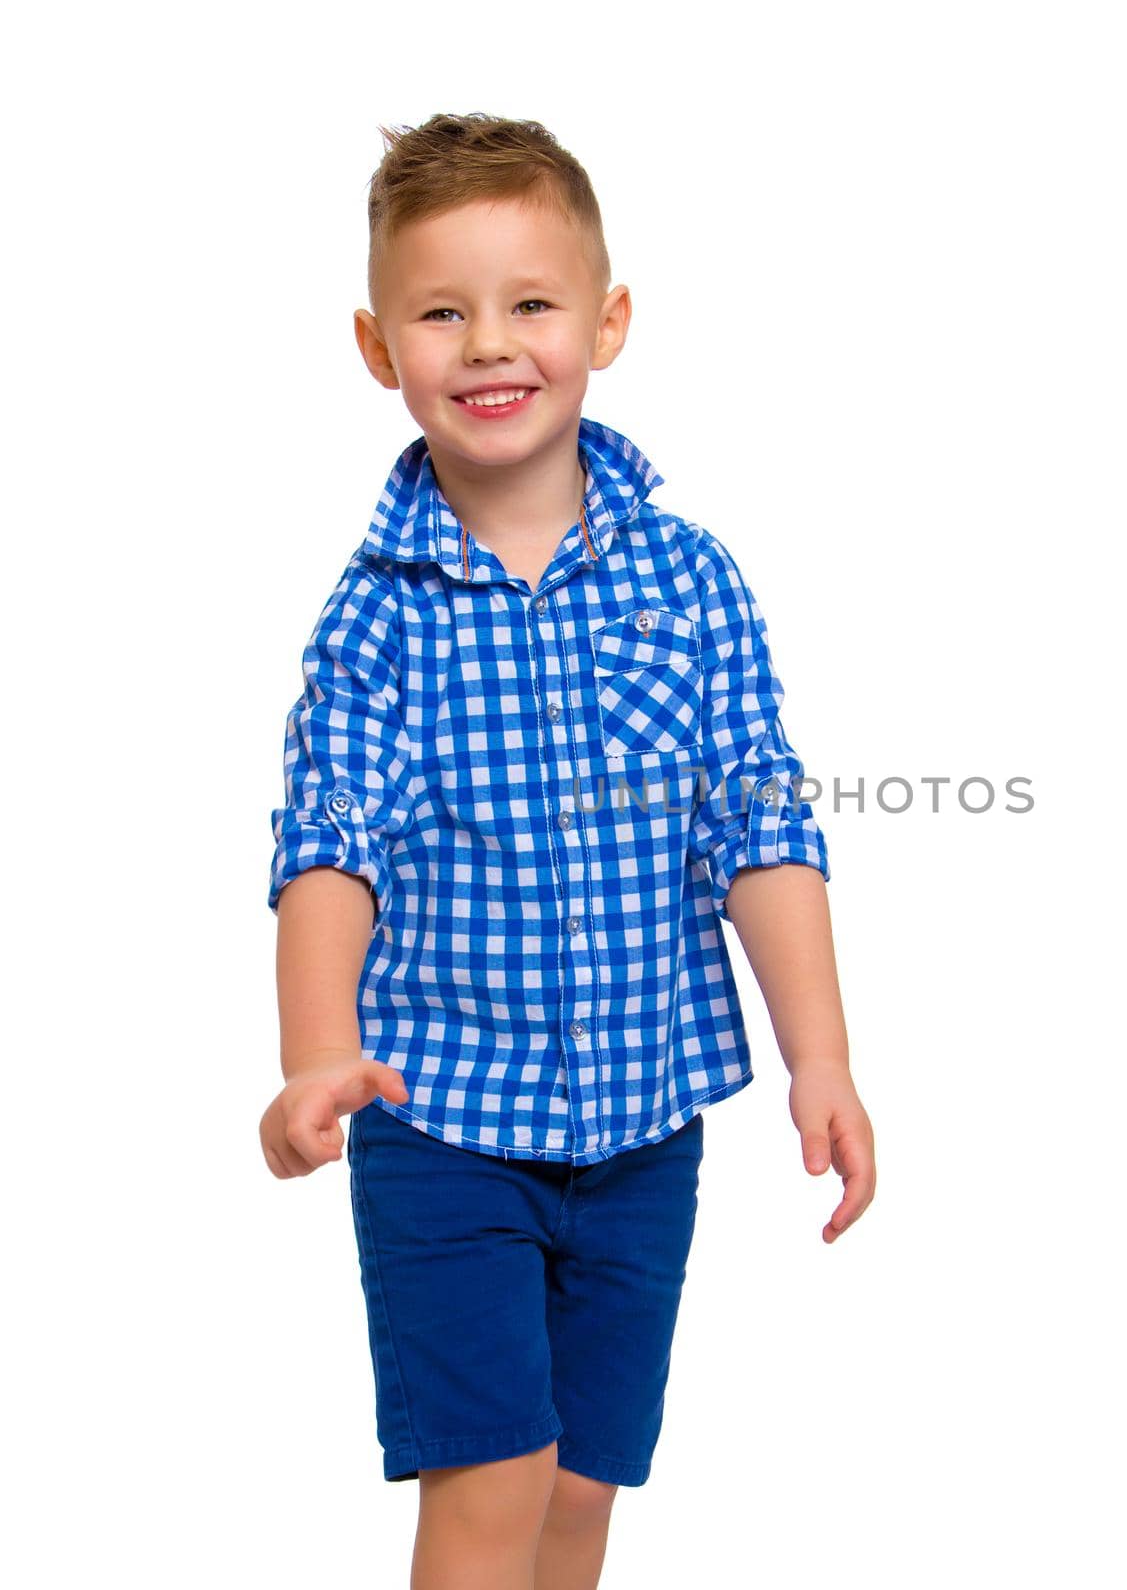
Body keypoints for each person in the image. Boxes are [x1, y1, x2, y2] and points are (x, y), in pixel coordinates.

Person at [258, 111, 875, 1590]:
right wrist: (311, 1053)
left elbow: (761, 824)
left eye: (530, 302)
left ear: (605, 321)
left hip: (643, 1124)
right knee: (495, 1476)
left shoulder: (690, 575)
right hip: (445, 1131)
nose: (490, 344)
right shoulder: (378, 615)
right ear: (375, 343)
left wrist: (825, 1058)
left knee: (584, 1494)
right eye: (441, 311)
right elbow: (328, 847)